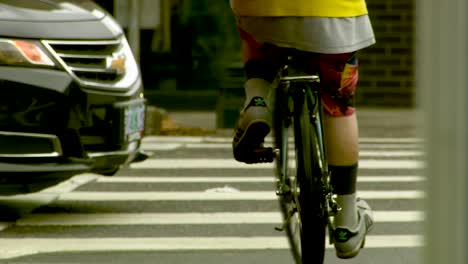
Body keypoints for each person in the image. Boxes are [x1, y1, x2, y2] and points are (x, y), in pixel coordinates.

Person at [229, 0, 375, 259]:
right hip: (334, 13)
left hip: (261, 10)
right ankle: (346, 223)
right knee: (338, 103)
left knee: (259, 44)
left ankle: (257, 100)